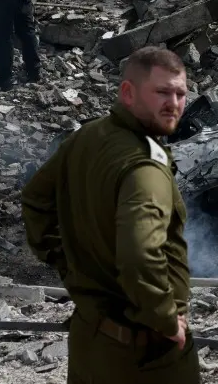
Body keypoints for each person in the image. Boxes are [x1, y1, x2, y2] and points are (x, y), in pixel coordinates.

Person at [22, 46, 199, 384]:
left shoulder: (88, 136)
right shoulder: (147, 167)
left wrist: (68, 262)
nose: (174, 103)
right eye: (162, 92)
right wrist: (165, 320)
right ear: (128, 93)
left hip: (90, 337)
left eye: (180, 93)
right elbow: (140, 257)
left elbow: (35, 200)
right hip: (145, 352)